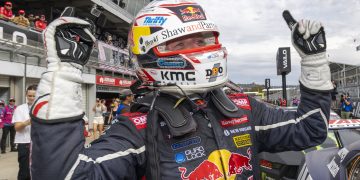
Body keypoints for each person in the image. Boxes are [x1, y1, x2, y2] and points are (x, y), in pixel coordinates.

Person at [30, 2, 333, 179]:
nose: (201, 50)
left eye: (203, 40)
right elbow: (64, 175)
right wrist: (64, 73)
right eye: (183, 43)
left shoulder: (243, 107)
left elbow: (311, 130)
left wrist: (315, 62)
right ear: (152, 52)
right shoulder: (140, 126)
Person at [12, 85, 36, 180]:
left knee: (39, 170)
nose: (31, 98)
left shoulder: (44, 109)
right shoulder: (20, 109)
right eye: (29, 95)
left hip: (40, 144)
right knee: (24, 172)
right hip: (25, 144)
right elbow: (17, 127)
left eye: (34, 96)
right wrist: (28, 122)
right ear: (26, 95)